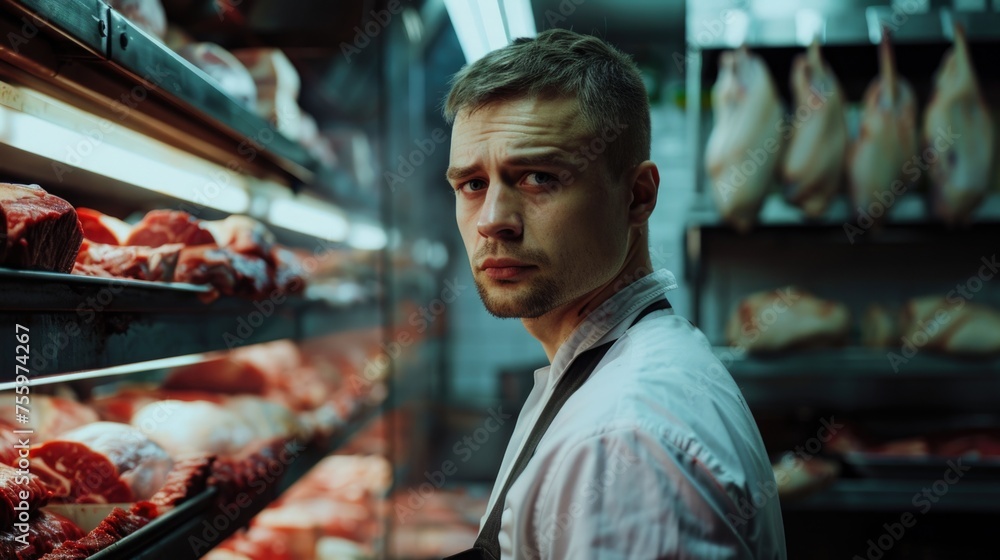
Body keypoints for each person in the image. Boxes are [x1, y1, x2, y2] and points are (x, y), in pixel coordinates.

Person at [443, 28, 786, 560]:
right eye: (472, 184)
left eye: (537, 177)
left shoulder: (624, 440)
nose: (493, 222)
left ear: (637, 197)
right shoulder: (607, 373)